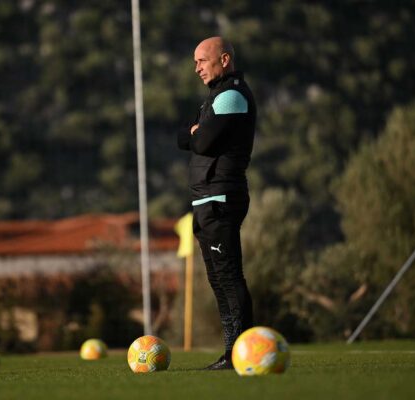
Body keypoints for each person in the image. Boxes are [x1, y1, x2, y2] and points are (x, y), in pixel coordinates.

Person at [177, 37, 256, 370]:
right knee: (218, 279)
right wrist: (194, 133)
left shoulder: (231, 96)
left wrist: (196, 133)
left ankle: (243, 351)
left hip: (221, 198)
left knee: (229, 276)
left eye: (203, 61)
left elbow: (202, 140)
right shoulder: (216, 98)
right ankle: (231, 352)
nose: (197, 68)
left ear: (224, 60)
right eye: (195, 62)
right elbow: (184, 137)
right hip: (206, 199)